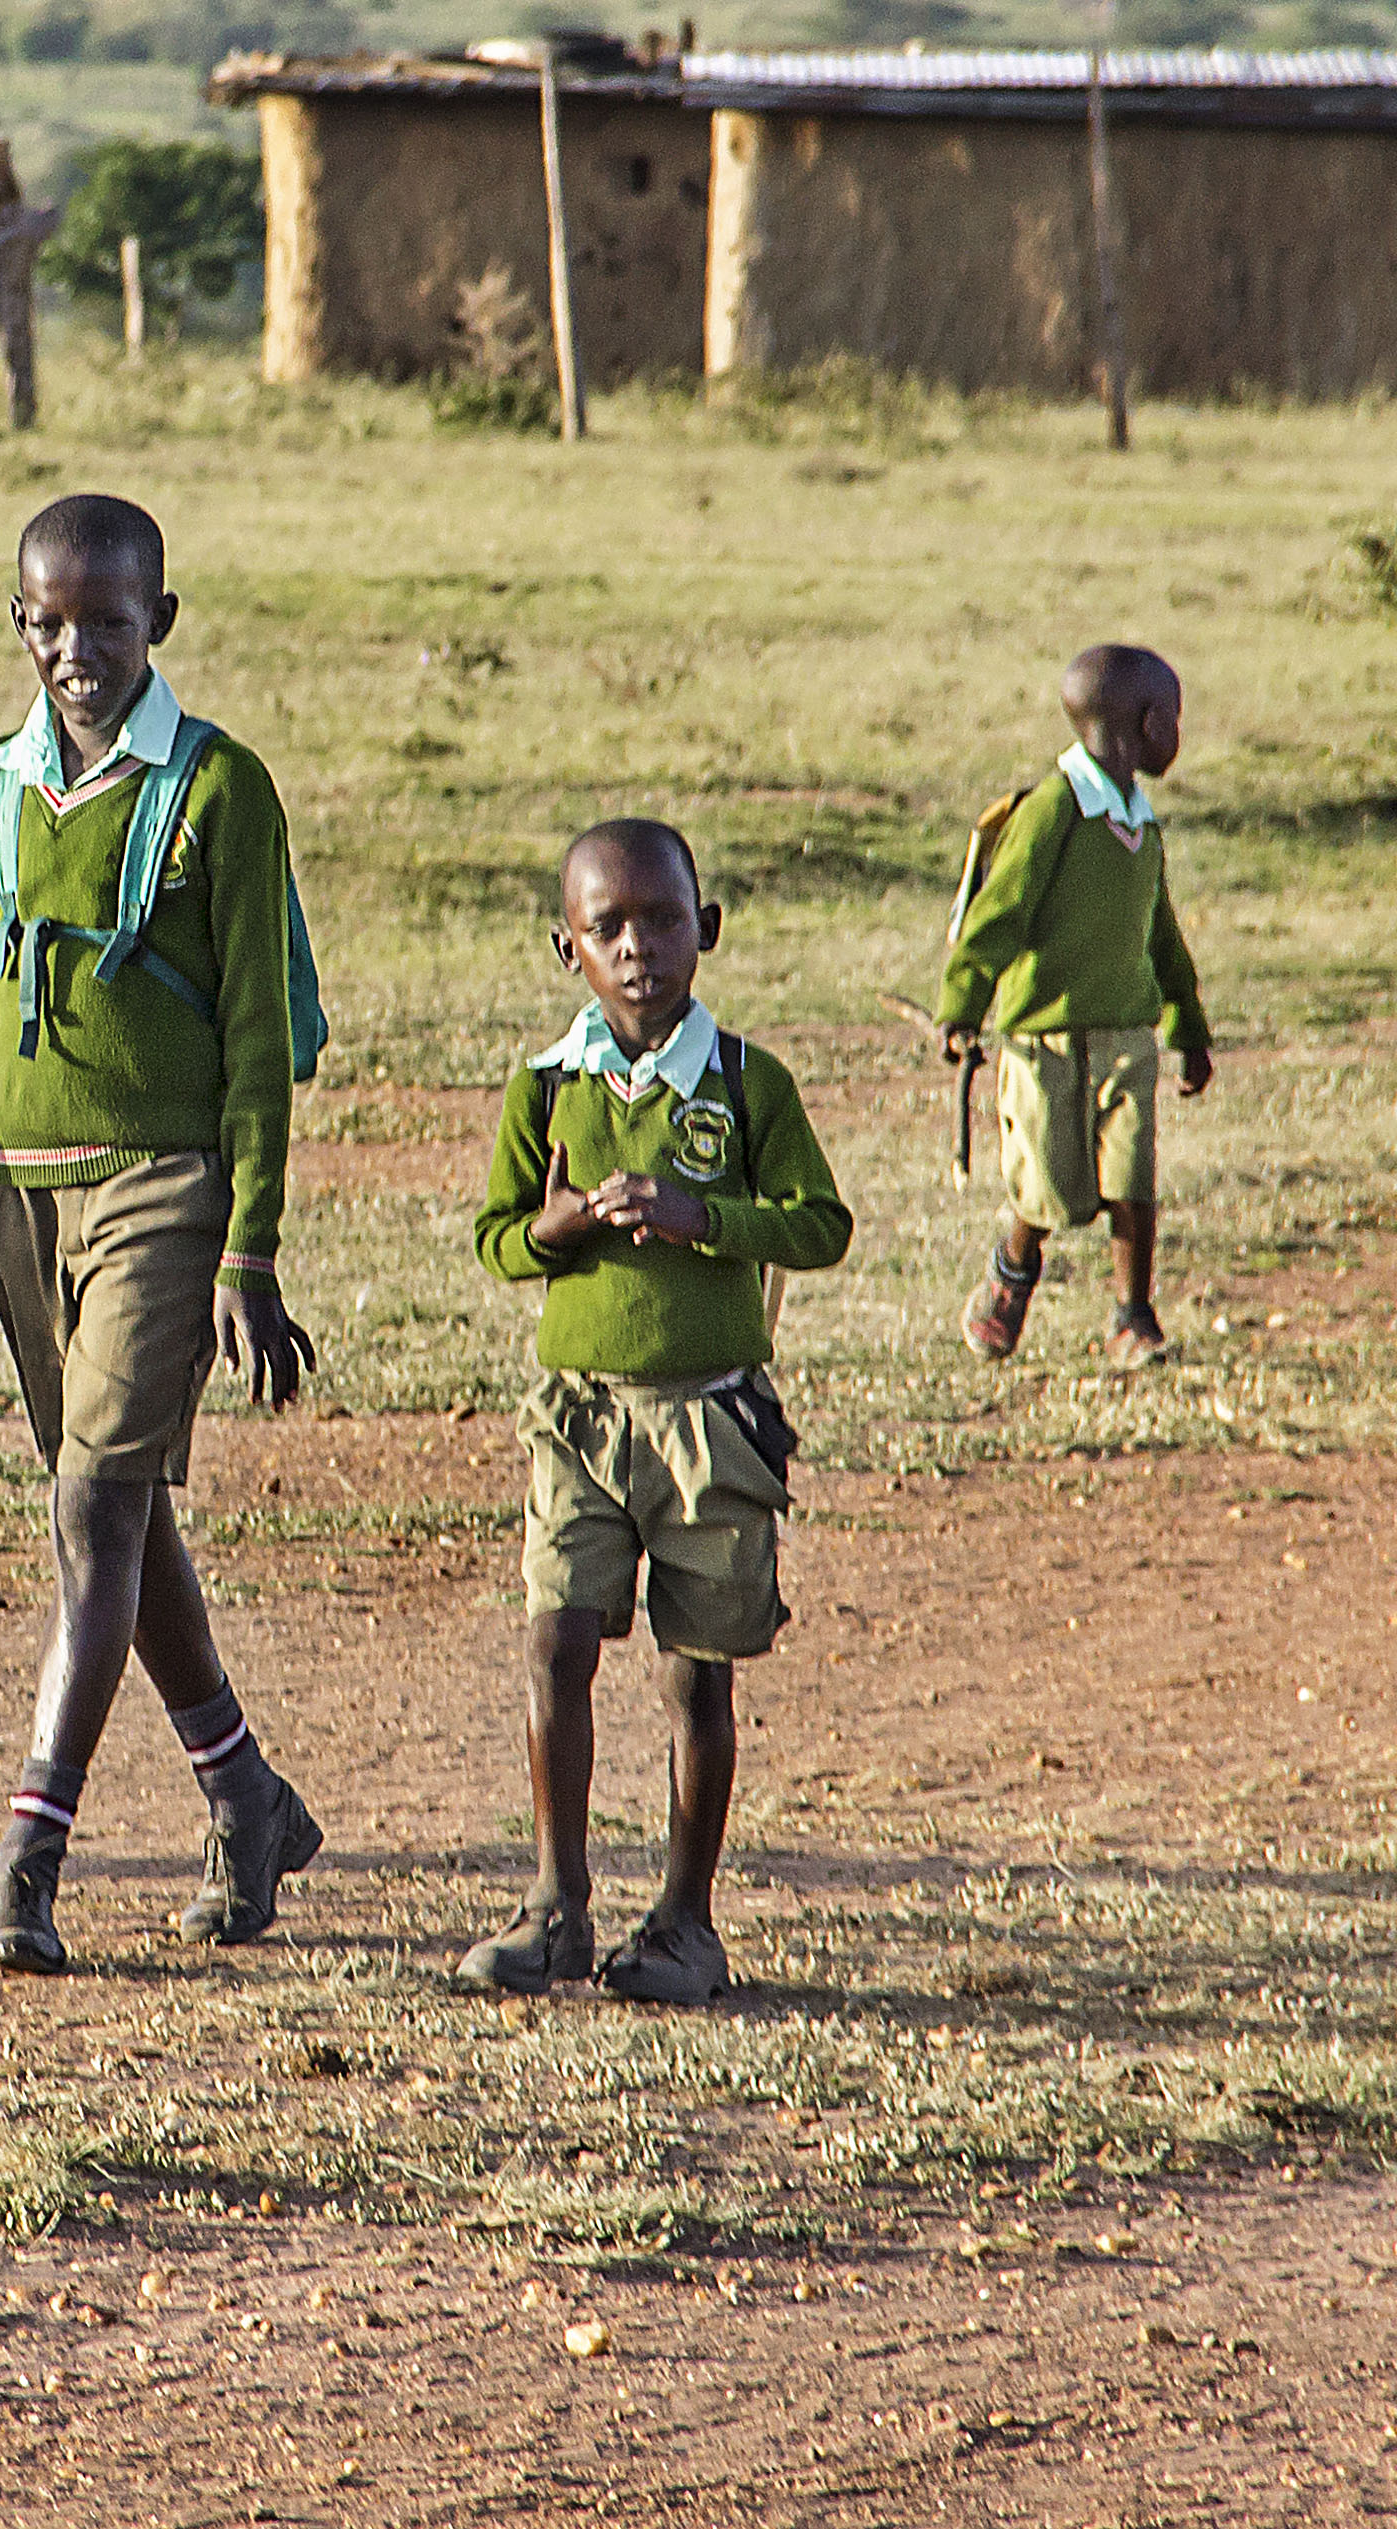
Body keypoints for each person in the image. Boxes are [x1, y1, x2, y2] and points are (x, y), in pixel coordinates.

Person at [0, 492, 325, 1977]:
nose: (78, 648)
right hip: (19, 1193)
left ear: (163, 621)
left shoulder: (218, 790)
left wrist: (251, 1254)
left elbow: (259, 1037)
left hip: (163, 1183)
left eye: (110, 619)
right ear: (16, 621)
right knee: (121, 1516)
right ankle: (244, 1797)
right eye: (50, 621)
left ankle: (29, 1851)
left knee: (90, 1517)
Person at [457, 820, 851, 2004]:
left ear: (708, 929)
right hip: (576, 1420)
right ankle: (554, 1905)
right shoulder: (544, 1086)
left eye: (664, 919)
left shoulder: (743, 1082)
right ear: (564, 946)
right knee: (554, 1642)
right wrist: (555, 1230)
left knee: (697, 1673)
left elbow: (818, 1224)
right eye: (607, 927)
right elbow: (493, 1241)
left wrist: (703, 1216)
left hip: (710, 1423)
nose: (639, 948)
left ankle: (684, 1919)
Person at [935, 644, 1211, 1367]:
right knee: (1050, 1184)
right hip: (1044, 1038)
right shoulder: (1055, 808)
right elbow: (1000, 912)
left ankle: (1132, 1314)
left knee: (1132, 1175)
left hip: (1127, 1031)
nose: (1178, 734)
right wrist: (962, 1006)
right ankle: (1012, 1270)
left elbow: (1161, 931)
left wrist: (1187, 1026)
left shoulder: (1141, 821)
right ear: (1147, 722)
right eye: (1174, 719)